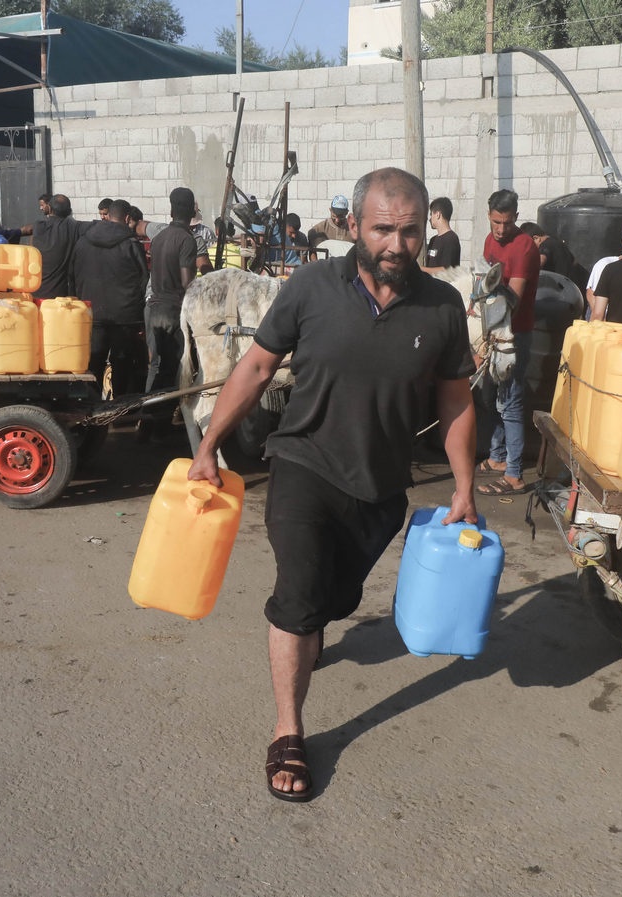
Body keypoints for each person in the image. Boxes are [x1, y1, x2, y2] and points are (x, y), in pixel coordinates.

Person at [185, 167, 478, 803]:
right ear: (353, 227)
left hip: (379, 490)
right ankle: (288, 730)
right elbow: (257, 365)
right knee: (297, 595)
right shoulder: (313, 286)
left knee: (333, 601)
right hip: (303, 465)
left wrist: (464, 486)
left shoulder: (442, 305)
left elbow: (456, 400)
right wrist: (208, 446)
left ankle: (316, 623)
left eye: (408, 231)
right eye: (381, 230)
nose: (395, 245)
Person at [477, 188, 540, 498]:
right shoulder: (490, 241)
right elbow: (485, 280)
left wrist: (485, 310)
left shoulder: (524, 246)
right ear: (489, 216)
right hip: (494, 331)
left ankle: (514, 474)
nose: (501, 230)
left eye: (506, 222)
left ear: (516, 216)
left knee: (511, 401)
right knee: (493, 396)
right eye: (495, 222)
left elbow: (511, 298)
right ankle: (498, 456)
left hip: (515, 334)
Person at [73, 199, 149, 397]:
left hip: (91, 312)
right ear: (126, 218)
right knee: (122, 364)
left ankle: (89, 409)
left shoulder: (83, 241)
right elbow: (143, 279)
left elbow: (73, 274)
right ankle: (119, 412)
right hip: (124, 317)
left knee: (93, 362)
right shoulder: (132, 244)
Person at [144, 187, 199, 436]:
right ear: (190, 212)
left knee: (156, 366)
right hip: (173, 310)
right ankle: (158, 426)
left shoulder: (160, 237)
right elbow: (187, 282)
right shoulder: (186, 240)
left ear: (171, 209)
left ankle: (146, 422)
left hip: (154, 307)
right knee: (171, 369)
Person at [33, 194, 87, 299]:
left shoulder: (38, 226)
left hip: (35, 292)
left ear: (49, 208)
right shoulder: (73, 228)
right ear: (69, 211)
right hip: (59, 298)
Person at [423, 196, 460, 270]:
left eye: (431, 214)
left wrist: (422, 270)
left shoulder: (451, 239)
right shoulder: (433, 240)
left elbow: (446, 270)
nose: (430, 219)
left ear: (438, 214)